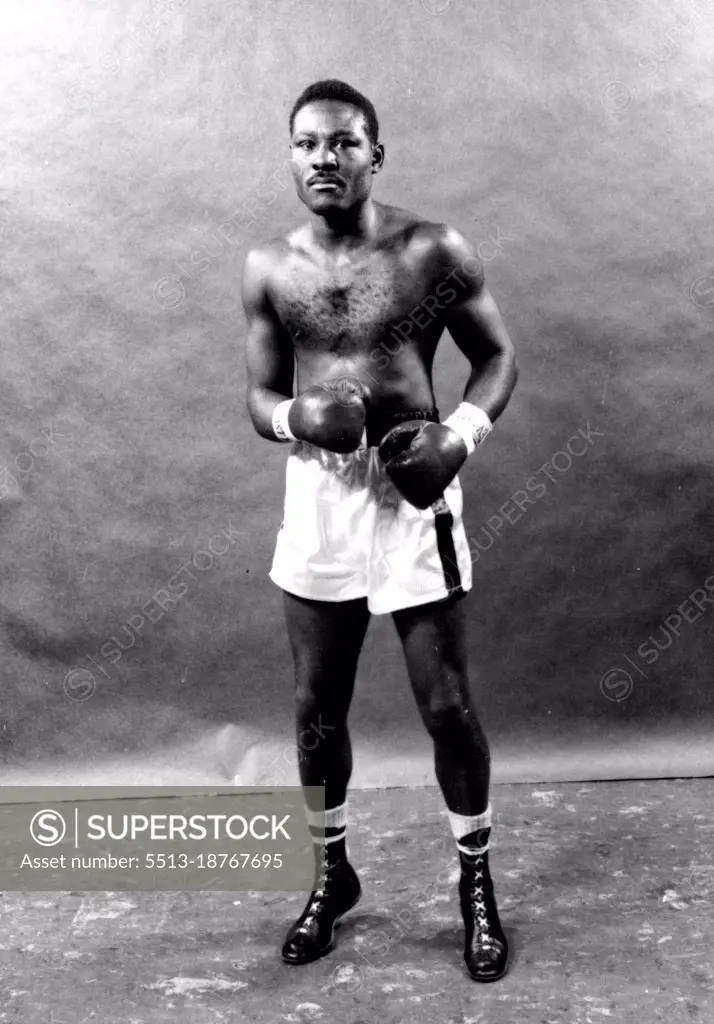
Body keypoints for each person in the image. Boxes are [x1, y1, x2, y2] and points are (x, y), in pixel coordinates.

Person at [242, 79, 518, 983]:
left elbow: (495, 357)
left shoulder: (431, 247)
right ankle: (332, 874)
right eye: (306, 144)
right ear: (291, 156)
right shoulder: (267, 266)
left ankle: (475, 885)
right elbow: (259, 397)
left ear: (375, 153)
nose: (324, 157)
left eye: (343, 142)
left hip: (413, 484)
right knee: (315, 707)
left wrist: (459, 438)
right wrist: (292, 420)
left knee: (444, 704)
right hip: (320, 494)